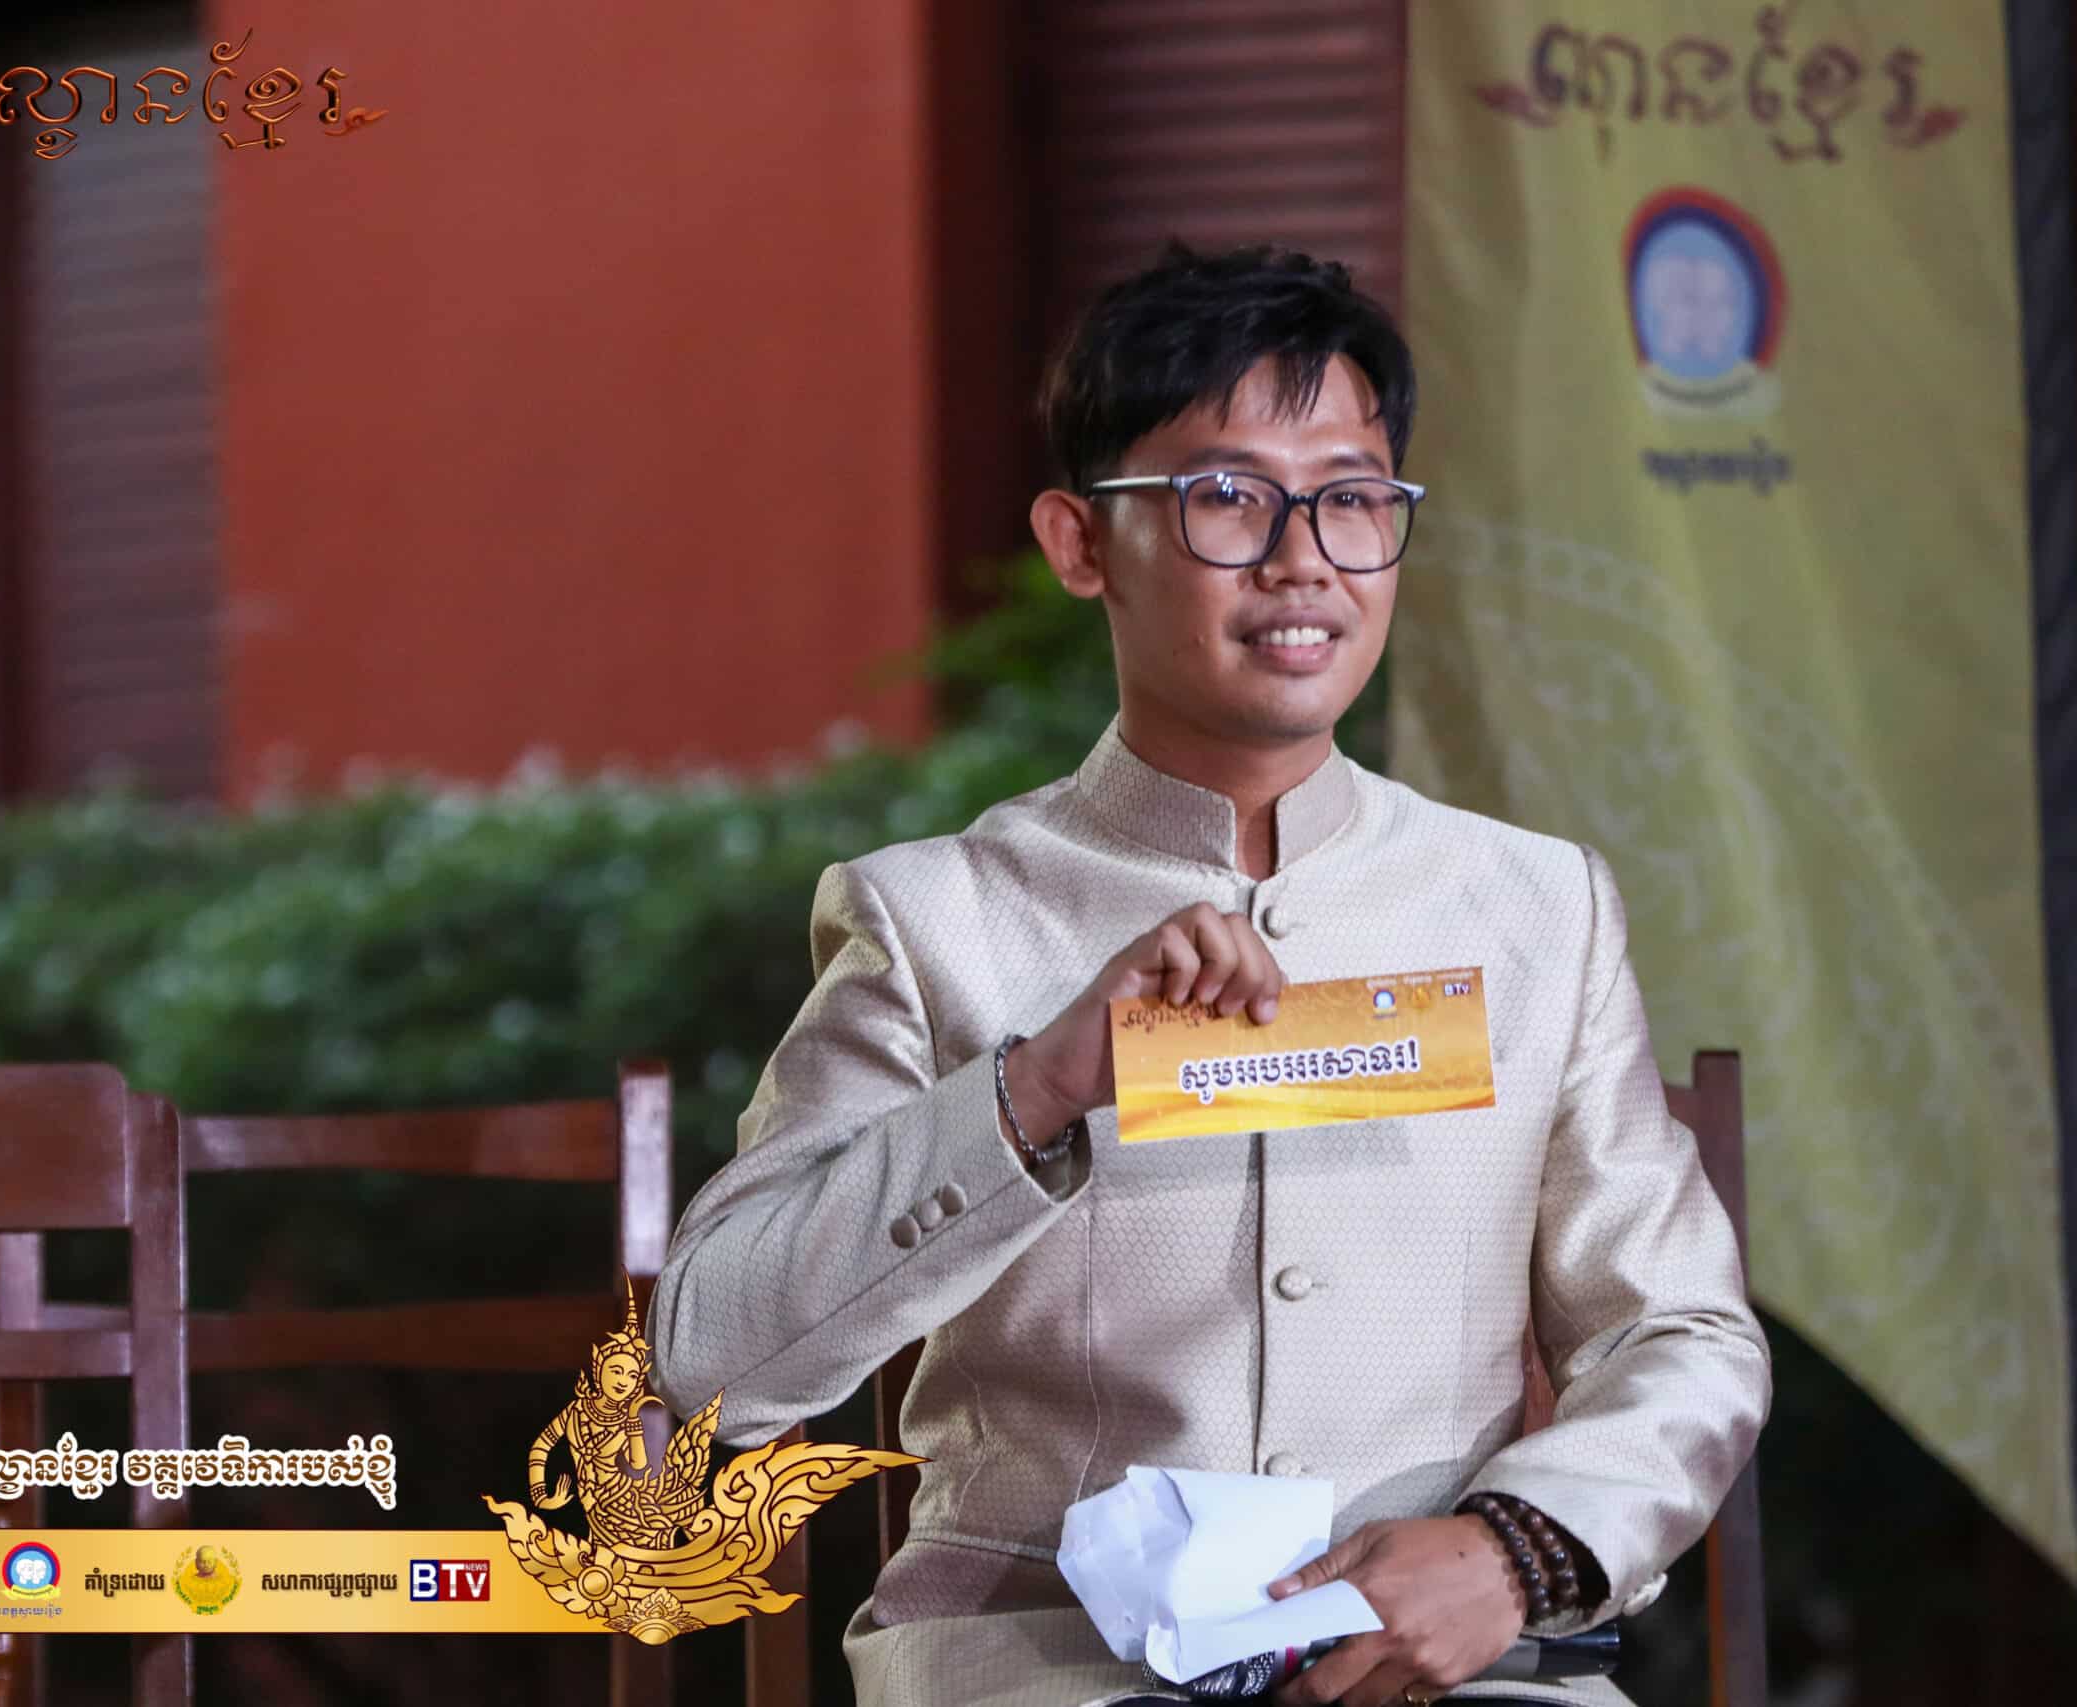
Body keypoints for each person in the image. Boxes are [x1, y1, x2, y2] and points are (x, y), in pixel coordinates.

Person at [649, 242, 1769, 1707]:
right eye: (1229, 496)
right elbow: (709, 1363)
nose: (1304, 557)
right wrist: (1038, 1087)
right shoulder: (933, 921)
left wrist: (1511, 1554)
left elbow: (1678, 1330)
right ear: (1080, 543)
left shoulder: (1534, 910)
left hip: (1445, 1670)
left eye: (1352, 498)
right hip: (1051, 1665)